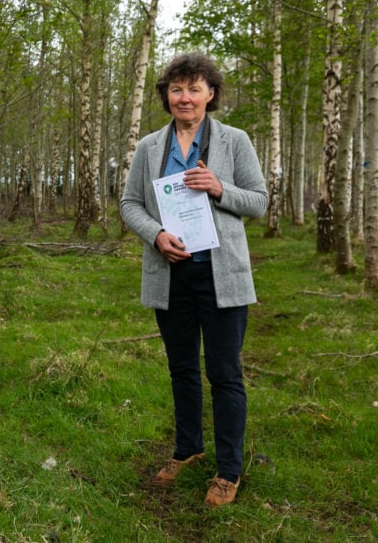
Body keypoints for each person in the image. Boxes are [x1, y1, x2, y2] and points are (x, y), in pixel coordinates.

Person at [119, 52, 268, 507]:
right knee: (181, 368)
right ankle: (188, 450)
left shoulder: (235, 141)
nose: (185, 97)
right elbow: (129, 204)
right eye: (176, 89)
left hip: (222, 275)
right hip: (171, 275)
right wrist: (156, 234)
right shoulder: (149, 147)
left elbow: (259, 200)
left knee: (224, 372)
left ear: (211, 94)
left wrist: (219, 188)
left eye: (195, 89)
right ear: (166, 96)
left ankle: (228, 470)